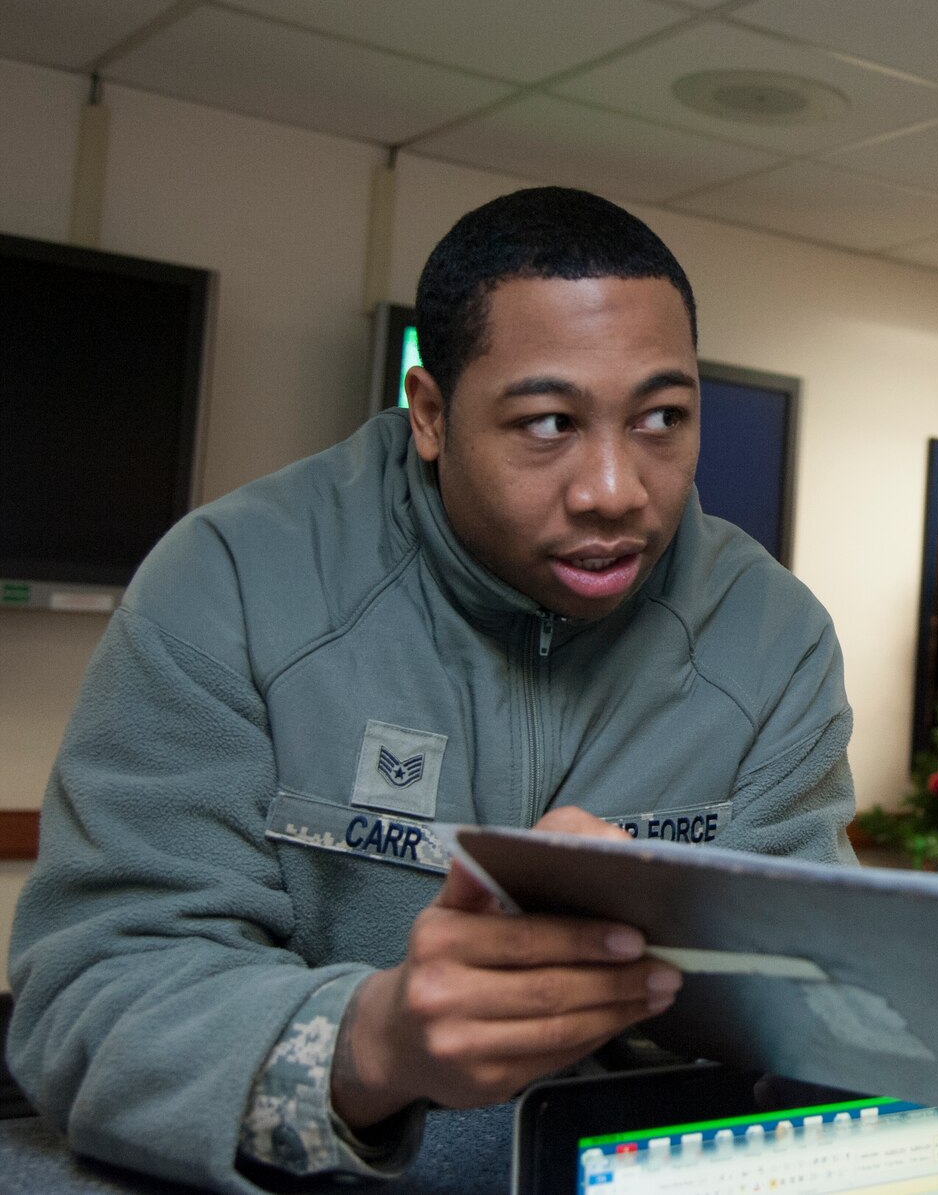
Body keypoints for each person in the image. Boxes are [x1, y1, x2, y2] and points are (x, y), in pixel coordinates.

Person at [7, 187, 859, 1193]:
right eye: (548, 422)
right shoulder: (230, 583)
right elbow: (90, 999)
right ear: (428, 412)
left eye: (661, 418)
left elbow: (818, 1013)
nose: (615, 488)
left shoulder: (774, 639)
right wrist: (375, 1041)